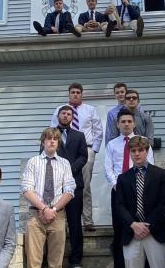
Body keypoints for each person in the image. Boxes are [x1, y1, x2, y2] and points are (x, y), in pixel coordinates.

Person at [105, 109, 154, 268]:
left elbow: (150, 164)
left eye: (129, 121)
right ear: (118, 124)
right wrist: (117, 186)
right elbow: (108, 168)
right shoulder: (112, 144)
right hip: (118, 192)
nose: (126, 124)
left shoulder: (143, 142)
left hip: (141, 192)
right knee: (120, 229)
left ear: (134, 123)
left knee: (142, 227)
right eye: (123, 122)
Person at [51, 83, 103, 232]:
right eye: (73, 92)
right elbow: (53, 131)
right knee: (61, 187)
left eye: (78, 92)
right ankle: (64, 221)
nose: (75, 94)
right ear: (69, 94)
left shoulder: (90, 110)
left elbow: (98, 130)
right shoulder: (60, 110)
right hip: (63, 151)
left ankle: (87, 220)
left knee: (84, 186)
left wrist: (94, 150)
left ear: (82, 94)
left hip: (85, 151)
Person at [21, 127, 76, 268]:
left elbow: (69, 190)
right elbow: (27, 189)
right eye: (49, 138)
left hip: (57, 215)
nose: (52, 141)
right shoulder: (33, 162)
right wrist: (44, 208)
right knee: (33, 262)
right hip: (35, 215)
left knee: (56, 262)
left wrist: (53, 209)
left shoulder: (65, 163)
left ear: (58, 142)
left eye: (55, 139)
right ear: (43, 141)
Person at [116, 136, 165, 268]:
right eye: (133, 150)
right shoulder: (123, 178)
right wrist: (134, 225)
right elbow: (119, 205)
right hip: (132, 233)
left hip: (155, 231)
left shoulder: (161, 174)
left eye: (140, 150)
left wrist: (146, 225)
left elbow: (164, 204)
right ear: (129, 152)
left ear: (147, 151)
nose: (136, 154)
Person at [56, 105, 88, 268]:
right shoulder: (50, 134)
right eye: (63, 113)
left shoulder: (79, 136)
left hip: (75, 184)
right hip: (54, 185)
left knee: (75, 223)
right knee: (55, 223)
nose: (66, 116)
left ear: (72, 118)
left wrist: (69, 169)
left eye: (69, 114)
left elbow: (84, 157)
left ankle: (76, 260)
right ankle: (55, 259)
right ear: (58, 116)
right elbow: (43, 153)